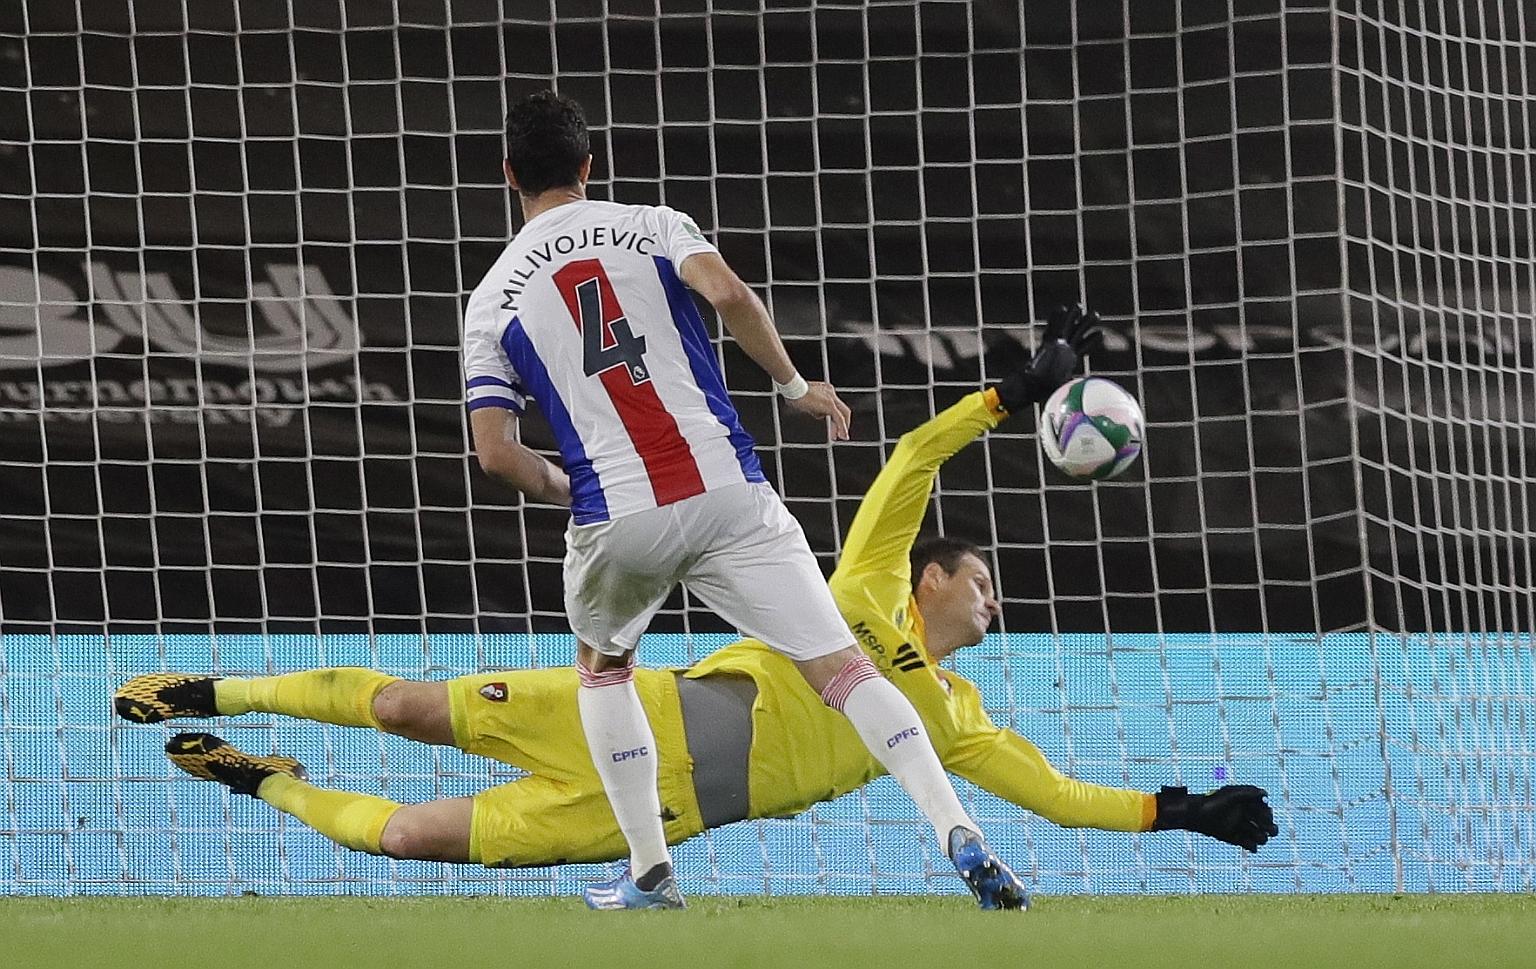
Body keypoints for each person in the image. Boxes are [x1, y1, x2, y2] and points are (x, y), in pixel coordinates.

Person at [116, 307, 1278, 905]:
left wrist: (1182, 812)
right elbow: (914, 460)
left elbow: (1062, 797)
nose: (997, 602)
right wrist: (1008, 398)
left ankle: (253, 773)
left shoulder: (955, 718)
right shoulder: (866, 583)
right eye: (986, 580)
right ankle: (212, 686)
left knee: (417, 837)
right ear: (931, 576)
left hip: (654, 824)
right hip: (622, 717)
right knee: (414, 710)